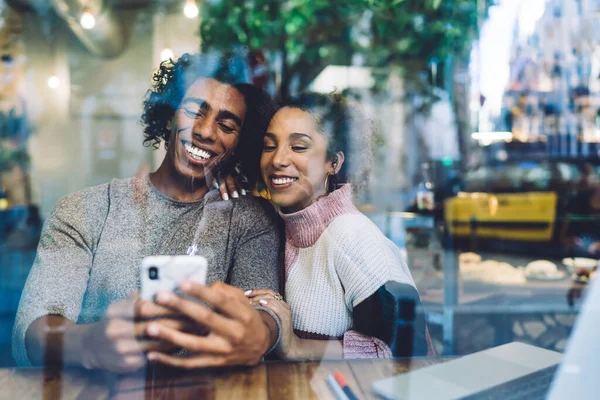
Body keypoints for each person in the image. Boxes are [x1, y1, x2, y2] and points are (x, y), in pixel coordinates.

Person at [12, 52, 283, 372]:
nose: (206, 132)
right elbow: (31, 331)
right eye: (195, 110)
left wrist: (265, 334)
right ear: (168, 116)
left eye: (226, 125)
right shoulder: (85, 210)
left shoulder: (249, 220)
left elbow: (264, 311)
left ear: (237, 144)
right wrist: (88, 344)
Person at [243, 92, 435, 359]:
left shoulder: (350, 233)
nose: (277, 160)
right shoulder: (283, 230)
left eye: (298, 147)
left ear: (333, 162)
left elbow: (410, 351)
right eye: (269, 146)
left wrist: (298, 347)